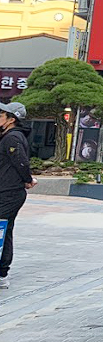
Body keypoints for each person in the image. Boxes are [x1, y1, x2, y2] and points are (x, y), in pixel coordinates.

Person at [0, 102, 34, 290]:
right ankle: (2, 272)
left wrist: (28, 179)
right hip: (6, 190)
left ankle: (2, 273)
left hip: (9, 193)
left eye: (1, 115)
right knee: (5, 230)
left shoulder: (13, 138)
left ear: (11, 119)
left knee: (2, 230)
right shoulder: (7, 136)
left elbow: (21, 162)